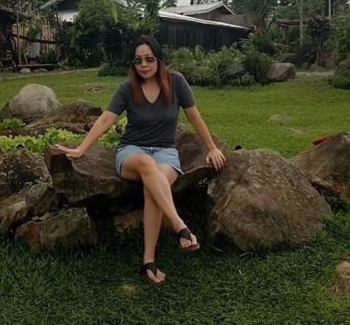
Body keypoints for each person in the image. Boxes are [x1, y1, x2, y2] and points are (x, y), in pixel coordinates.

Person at [56, 36, 226, 285]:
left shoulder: (176, 82)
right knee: (147, 165)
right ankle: (180, 226)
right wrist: (82, 148)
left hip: (166, 152)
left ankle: (148, 260)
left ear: (159, 59)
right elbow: (106, 119)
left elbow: (194, 116)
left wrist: (211, 147)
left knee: (153, 187)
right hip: (132, 152)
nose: (144, 65)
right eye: (138, 60)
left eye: (149, 59)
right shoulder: (127, 89)